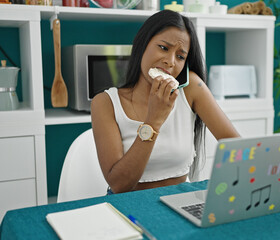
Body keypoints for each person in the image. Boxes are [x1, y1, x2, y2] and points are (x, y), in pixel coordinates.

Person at [91, 10, 240, 194]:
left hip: (180, 202)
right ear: (142, 44)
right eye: (163, 47)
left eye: (180, 56)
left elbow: (237, 146)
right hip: (128, 205)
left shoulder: (191, 87)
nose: (170, 62)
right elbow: (119, 185)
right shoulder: (105, 103)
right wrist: (154, 121)